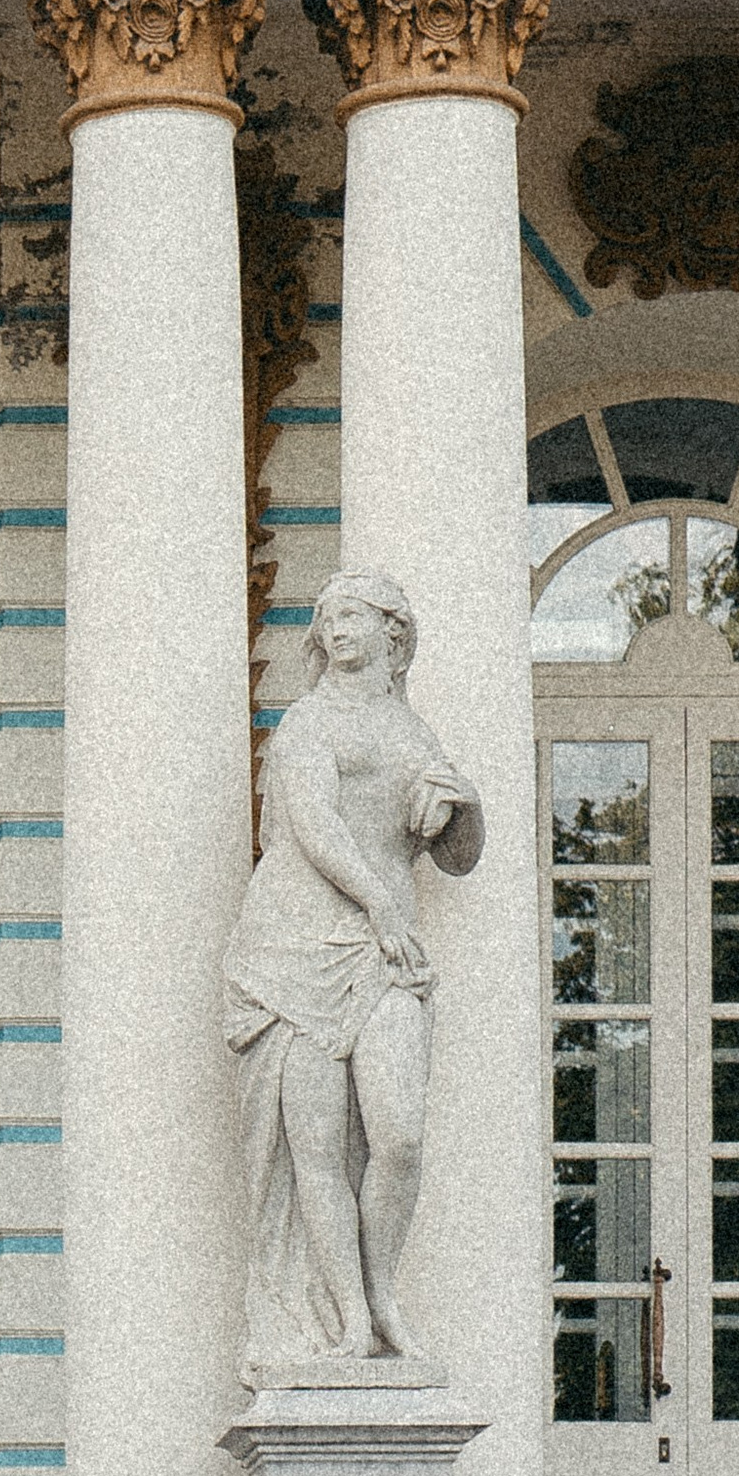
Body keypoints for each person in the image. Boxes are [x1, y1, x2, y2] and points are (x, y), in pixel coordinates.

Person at [222, 568, 482, 1373]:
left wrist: (466, 807)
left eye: (352, 616)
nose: (334, 630)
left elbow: (458, 859)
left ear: (393, 633)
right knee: (319, 1152)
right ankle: (348, 1322)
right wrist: (380, 903)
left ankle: (383, 1294)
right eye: (327, 617)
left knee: (399, 1134)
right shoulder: (309, 721)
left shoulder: (414, 733)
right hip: (296, 947)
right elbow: (313, 825)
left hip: (384, 949)